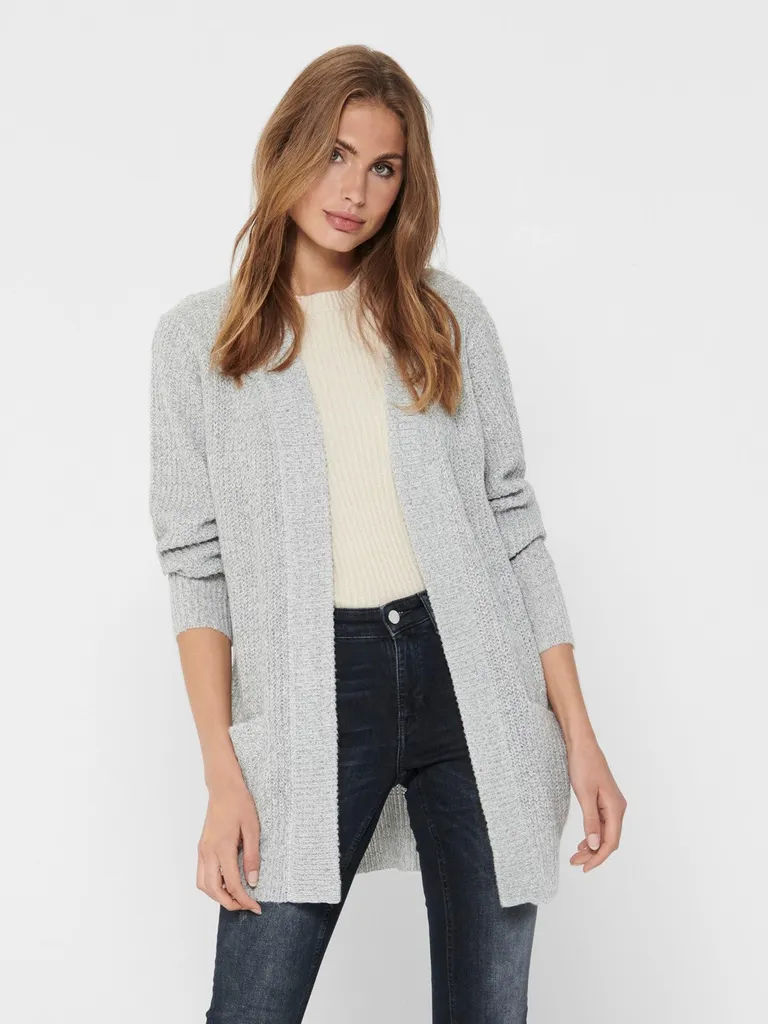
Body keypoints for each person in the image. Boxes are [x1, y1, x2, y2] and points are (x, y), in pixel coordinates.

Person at [148, 44, 626, 1023]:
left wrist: (580, 736)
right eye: (335, 154)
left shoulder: (445, 317)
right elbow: (197, 567)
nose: (354, 192)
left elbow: (513, 522)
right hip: (314, 689)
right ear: (286, 149)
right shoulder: (200, 340)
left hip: (473, 680)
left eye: (383, 167)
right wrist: (223, 772)